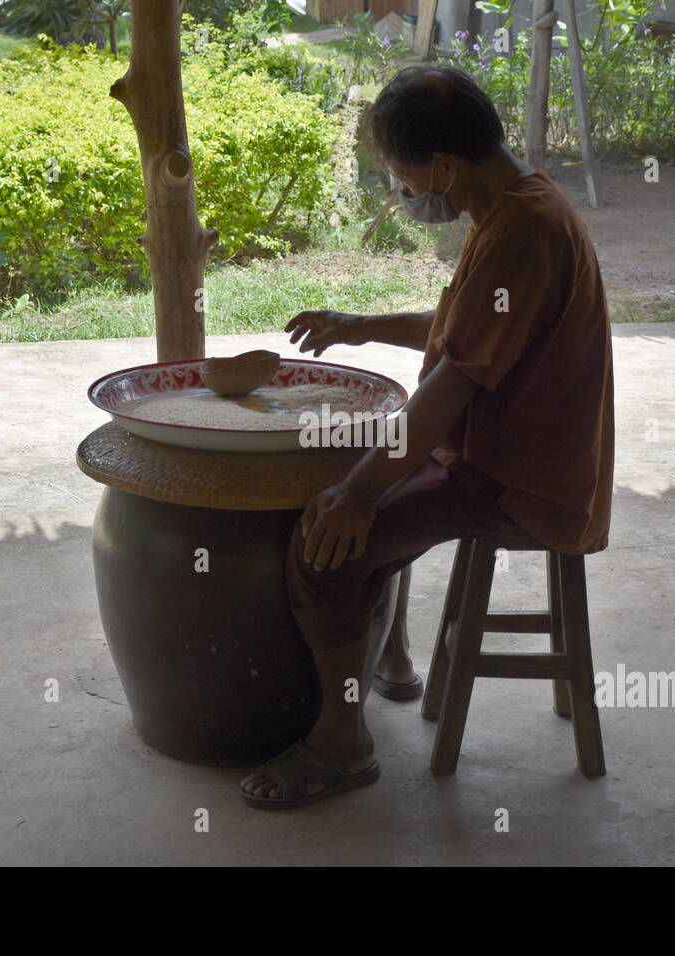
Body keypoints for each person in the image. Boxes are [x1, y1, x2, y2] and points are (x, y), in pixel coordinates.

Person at [239, 65, 615, 809]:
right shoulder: (514, 207)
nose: (404, 193)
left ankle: (340, 745)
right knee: (365, 486)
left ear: (443, 166)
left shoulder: (521, 233)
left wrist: (356, 493)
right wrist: (359, 329)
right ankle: (395, 663)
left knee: (323, 544)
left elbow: (449, 388)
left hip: (520, 484)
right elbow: (465, 333)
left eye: (403, 177)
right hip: (507, 457)